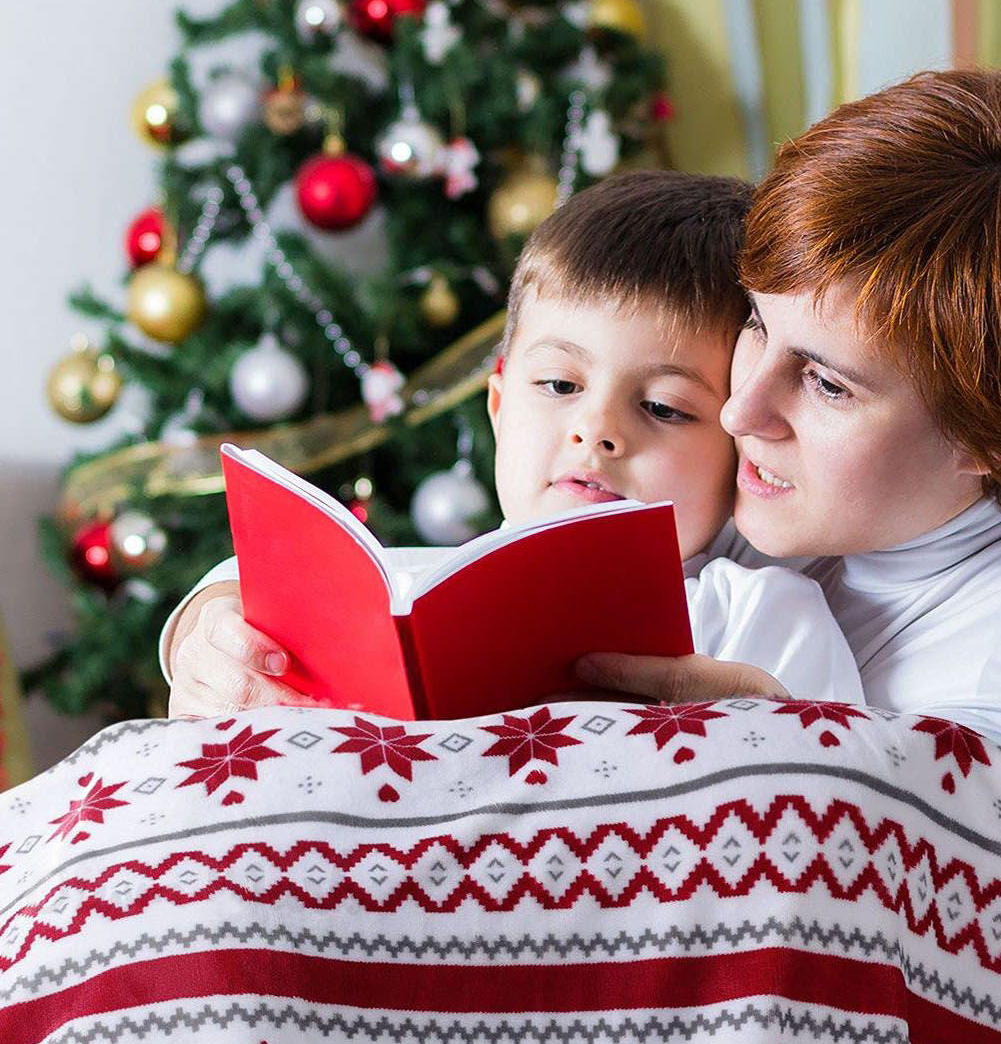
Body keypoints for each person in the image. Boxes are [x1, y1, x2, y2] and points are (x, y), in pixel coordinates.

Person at [160, 171, 862, 718]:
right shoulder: (410, 591)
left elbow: (855, 817)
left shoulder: (764, 618)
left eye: (662, 408)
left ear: (739, 450)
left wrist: (764, 737)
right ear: (498, 408)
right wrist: (205, 630)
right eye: (559, 385)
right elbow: (250, 586)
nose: (596, 431)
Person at [577, 70, 1001, 744]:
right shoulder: (735, 500)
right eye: (755, 322)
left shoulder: (980, 704)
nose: (738, 412)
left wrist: (790, 755)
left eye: (828, 385)